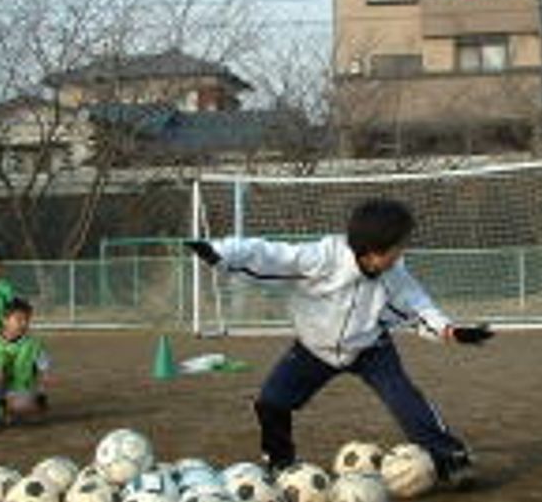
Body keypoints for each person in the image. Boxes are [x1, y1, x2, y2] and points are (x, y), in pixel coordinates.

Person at [184, 198, 493, 487]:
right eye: (398, 247)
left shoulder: (395, 274)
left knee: (406, 400)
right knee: (271, 402)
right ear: (374, 252)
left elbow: (418, 305)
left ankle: (452, 458)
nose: (402, 253)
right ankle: (280, 463)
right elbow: (272, 254)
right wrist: (221, 252)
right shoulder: (324, 257)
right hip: (314, 348)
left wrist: (450, 331)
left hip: (371, 348)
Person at [0, 297, 50, 430]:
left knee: (26, 406)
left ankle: (3, 409)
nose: (23, 324)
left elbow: (43, 371)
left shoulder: (34, 345)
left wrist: (40, 396)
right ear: (5, 320)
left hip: (17, 390)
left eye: (27, 320)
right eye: (18, 319)